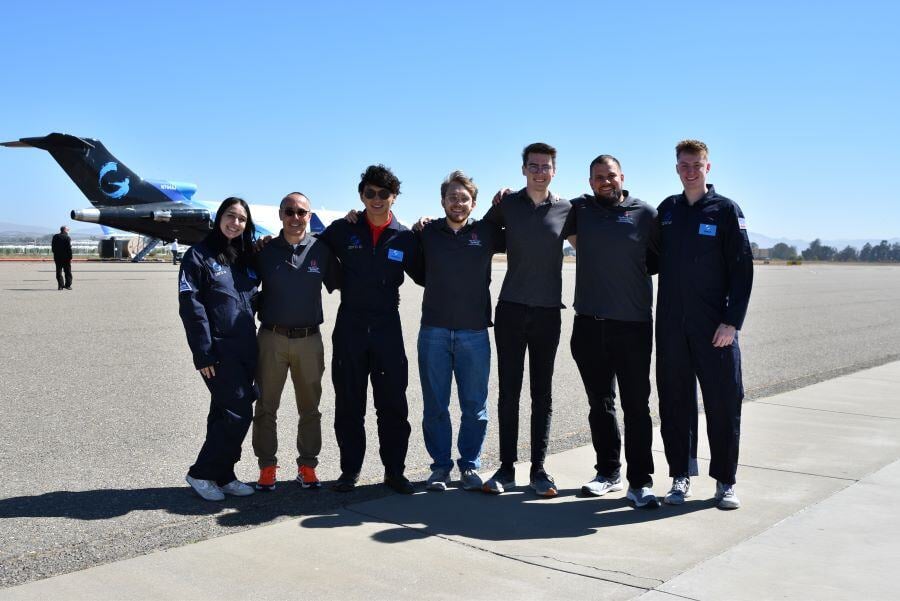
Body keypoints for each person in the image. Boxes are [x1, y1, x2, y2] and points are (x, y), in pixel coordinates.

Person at [656, 140, 753, 510]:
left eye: (696, 164)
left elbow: (742, 268)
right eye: (684, 165)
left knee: (724, 403)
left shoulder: (726, 210)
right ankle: (680, 476)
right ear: (676, 167)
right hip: (671, 328)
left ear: (708, 168)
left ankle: (725, 481)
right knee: (675, 404)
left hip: (716, 330)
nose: (690, 170)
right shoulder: (668, 211)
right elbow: (643, 254)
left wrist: (732, 322)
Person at [563, 155, 660, 509]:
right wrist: (505, 197)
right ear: (590, 181)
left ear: (623, 177)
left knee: (637, 406)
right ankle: (608, 473)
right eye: (599, 177)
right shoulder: (579, 209)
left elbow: (662, 259)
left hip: (632, 326)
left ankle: (641, 482)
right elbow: (539, 211)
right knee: (600, 404)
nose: (606, 181)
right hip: (588, 324)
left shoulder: (646, 214)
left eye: (611, 176)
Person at [318, 165, 419, 495]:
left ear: (394, 197)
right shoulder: (342, 230)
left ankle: (394, 471)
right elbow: (307, 248)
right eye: (369, 193)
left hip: (388, 328)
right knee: (349, 403)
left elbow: (430, 272)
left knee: (392, 404)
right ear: (361, 195)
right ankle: (350, 472)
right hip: (350, 328)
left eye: (383, 194)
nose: (376, 200)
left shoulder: (405, 237)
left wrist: (430, 229)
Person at [482, 143, 571, 497]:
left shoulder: (567, 208)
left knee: (542, 393)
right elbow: (477, 235)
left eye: (545, 166)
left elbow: (592, 240)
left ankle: (539, 468)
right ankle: (505, 468)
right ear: (523, 170)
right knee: (509, 391)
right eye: (533, 166)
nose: (539, 171)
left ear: (554, 170)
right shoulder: (507, 205)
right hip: (511, 309)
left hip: (548, 311)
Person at [408, 171, 504, 492]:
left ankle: (469, 466)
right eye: (452, 197)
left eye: (464, 198)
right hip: (433, 331)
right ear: (442, 201)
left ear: (473, 202)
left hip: (474, 333)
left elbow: (519, 225)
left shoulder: (486, 232)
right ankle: (439, 468)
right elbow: (415, 268)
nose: (458, 203)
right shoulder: (428, 232)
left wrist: (506, 197)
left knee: (474, 407)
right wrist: (414, 226)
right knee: (435, 406)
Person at [252, 193, 340, 491]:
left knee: (311, 408)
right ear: (280, 215)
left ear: (309, 215)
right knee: (265, 406)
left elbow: (346, 283)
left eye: (301, 212)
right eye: (289, 211)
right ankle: (267, 467)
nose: (295, 217)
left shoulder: (321, 250)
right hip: (271, 338)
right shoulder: (264, 251)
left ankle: (307, 466)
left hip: (308, 340)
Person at [178, 197, 259, 501]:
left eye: (241, 219)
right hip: (218, 351)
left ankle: (224, 474)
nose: (235, 223)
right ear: (219, 218)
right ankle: (200, 473)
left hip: (245, 349)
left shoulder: (243, 259)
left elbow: (252, 300)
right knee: (238, 412)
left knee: (223, 414)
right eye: (230, 216)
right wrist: (203, 352)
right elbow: (191, 305)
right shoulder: (198, 256)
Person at [51, 226, 72, 290]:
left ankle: (60, 286)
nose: (68, 231)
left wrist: (55, 253)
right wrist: (70, 257)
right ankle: (67, 285)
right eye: (68, 230)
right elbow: (69, 249)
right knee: (68, 272)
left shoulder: (55, 236)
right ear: (65, 230)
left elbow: (53, 247)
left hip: (57, 257)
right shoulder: (67, 238)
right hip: (66, 258)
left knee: (58, 272)